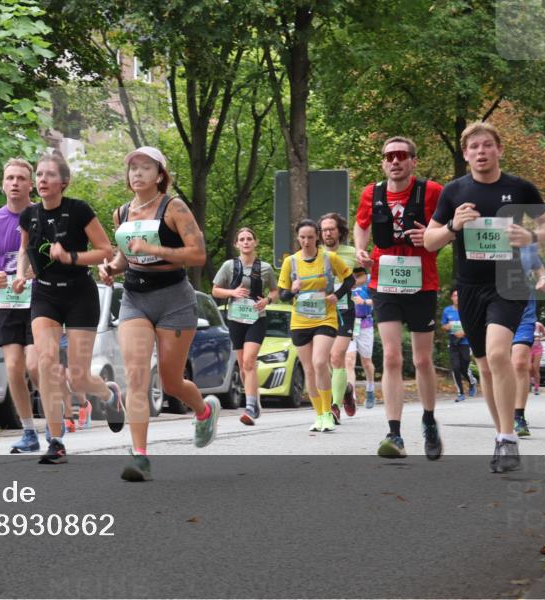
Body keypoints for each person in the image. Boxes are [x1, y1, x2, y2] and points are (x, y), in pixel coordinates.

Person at [424, 121, 545, 473]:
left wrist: (529, 235)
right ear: (466, 154)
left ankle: (508, 437)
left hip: (508, 282)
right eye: (474, 147)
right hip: (469, 286)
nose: (480, 152)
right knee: (484, 364)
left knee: (499, 353)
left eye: (487, 145)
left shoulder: (518, 187)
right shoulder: (454, 191)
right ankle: (501, 437)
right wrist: (453, 226)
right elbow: (429, 241)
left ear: (498, 149)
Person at [99, 146, 220, 481]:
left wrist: (154, 248)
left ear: (160, 174)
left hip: (174, 300)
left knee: (170, 380)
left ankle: (204, 410)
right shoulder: (121, 213)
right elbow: (126, 257)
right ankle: (139, 456)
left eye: (145, 167)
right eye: (133, 168)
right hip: (135, 298)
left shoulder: (174, 207)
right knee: (137, 375)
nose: (137, 173)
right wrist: (111, 268)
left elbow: (198, 255)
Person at [13, 152, 117, 465]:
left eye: (49, 175)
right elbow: (23, 251)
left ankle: (110, 396)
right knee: (44, 362)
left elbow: (105, 251)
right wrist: (20, 276)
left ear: (64, 182)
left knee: (79, 378)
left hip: (79, 295)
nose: (42, 180)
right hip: (45, 296)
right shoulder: (29, 216)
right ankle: (55, 440)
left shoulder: (79, 210)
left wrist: (70, 256)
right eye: (40, 175)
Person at [354, 136, 444, 460]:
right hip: (384, 281)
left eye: (401, 155)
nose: (395, 161)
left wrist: (432, 238)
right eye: (389, 156)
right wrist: (360, 250)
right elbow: (361, 224)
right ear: (383, 162)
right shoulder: (372, 192)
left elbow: (448, 229)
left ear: (413, 161)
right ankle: (394, 434)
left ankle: (429, 420)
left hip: (422, 283)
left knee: (421, 359)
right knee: (391, 357)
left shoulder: (432, 191)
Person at [0, 159, 44, 453]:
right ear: (3, 184)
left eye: (21, 178)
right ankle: (29, 432)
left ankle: (56, 417)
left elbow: (55, 255)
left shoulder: (43, 216)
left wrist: (36, 272)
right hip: (8, 302)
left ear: (31, 185)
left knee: (35, 365)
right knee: (14, 368)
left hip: (41, 299)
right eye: (10, 178)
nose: (15, 183)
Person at [278, 219, 355, 433]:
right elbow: (282, 296)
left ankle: (329, 413)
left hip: (325, 318)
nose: (306, 241)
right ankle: (319, 415)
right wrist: (293, 290)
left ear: (317, 237)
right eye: (302, 237)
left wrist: (335, 295)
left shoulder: (329, 258)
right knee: (309, 369)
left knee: (320, 362)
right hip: (300, 320)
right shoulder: (290, 262)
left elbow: (350, 280)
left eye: (310, 237)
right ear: (297, 238)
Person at [212, 227, 279, 426]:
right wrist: (232, 293)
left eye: (249, 238)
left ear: (255, 242)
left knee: (250, 361)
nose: (246, 242)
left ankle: (249, 407)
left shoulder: (265, 268)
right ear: (236, 244)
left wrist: (267, 300)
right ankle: (254, 400)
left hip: (257, 318)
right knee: (243, 366)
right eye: (242, 239)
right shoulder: (228, 266)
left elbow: (275, 291)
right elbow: (215, 290)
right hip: (236, 319)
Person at [319, 212, 359, 422]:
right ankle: (345, 390)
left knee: (337, 356)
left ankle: (334, 407)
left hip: (344, 310)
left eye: (331, 229)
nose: (327, 233)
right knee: (323, 359)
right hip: (320, 312)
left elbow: (361, 276)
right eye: (324, 229)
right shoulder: (314, 254)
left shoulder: (351, 253)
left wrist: (346, 287)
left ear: (339, 231)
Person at [510, 243, 545, 437]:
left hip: (524, 312)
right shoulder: (488, 237)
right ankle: (503, 410)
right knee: (496, 364)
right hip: (494, 309)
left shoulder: (528, 245)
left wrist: (543, 279)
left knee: (520, 363)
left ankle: (518, 416)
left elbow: (538, 268)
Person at [441, 289, 479, 402]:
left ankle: (472, 383)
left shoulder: (467, 309)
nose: (457, 297)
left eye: (459, 295)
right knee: (456, 367)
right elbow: (443, 325)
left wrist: (464, 332)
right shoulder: (447, 310)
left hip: (466, 342)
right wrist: (450, 327)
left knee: (464, 367)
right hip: (453, 343)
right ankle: (460, 393)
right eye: (455, 295)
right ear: (452, 298)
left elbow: (473, 324)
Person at [347, 273, 378, 408]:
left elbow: (379, 299)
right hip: (349, 325)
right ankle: (351, 397)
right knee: (349, 360)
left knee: (366, 362)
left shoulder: (368, 279)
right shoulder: (344, 277)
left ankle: (370, 390)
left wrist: (364, 302)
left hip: (365, 324)